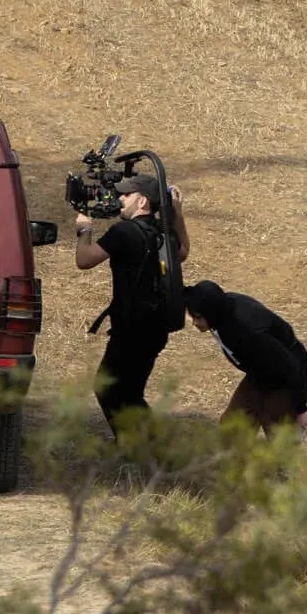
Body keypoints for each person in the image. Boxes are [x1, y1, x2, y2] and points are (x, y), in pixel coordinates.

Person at [74, 173, 190, 436]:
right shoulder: (163, 232)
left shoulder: (123, 232)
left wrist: (85, 228)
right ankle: (140, 444)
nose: (120, 198)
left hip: (131, 329)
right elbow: (182, 252)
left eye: (127, 194)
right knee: (130, 391)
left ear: (143, 202)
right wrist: (177, 215)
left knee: (110, 389)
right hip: (155, 328)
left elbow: (84, 259)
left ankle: (143, 444)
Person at [183, 280, 307, 433]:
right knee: (232, 429)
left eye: (198, 317)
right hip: (261, 373)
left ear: (212, 312)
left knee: (276, 431)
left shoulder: (247, 331)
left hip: (284, 376)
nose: (194, 323)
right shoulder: (220, 314)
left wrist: (302, 407)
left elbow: (291, 364)